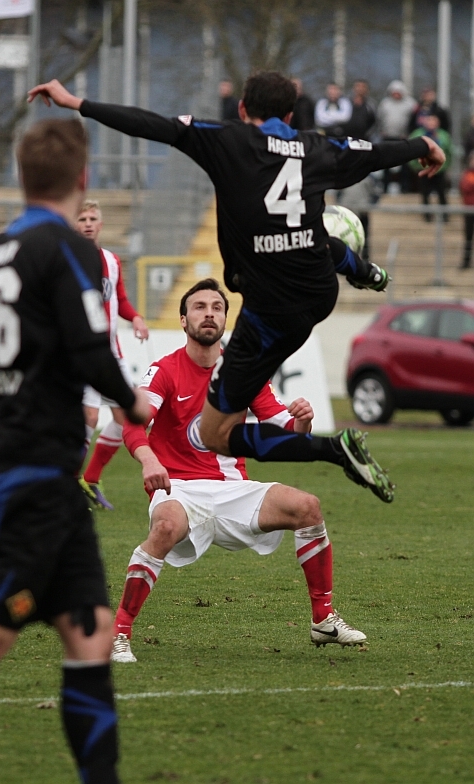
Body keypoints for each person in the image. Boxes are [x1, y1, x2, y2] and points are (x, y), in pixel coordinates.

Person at [28, 71, 445, 505]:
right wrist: (422, 146)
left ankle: (334, 449)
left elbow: (152, 124)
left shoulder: (227, 140)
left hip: (270, 312)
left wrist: (78, 103)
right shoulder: (317, 147)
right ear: (290, 115)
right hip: (319, 293)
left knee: (215, 434)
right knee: (316, 237)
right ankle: (364, 271)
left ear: (243, 109)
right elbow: (373, 152)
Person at [0, 117, 150, 784]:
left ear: (21, 177)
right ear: (82, 178)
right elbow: (92, 349)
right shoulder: (70, 249)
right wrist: (132, 402)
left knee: (91, 632)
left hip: (43, 477)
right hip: (29, 477)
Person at [112, 278, 367, 663]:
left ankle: (323, 620)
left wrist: (301, 421)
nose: (209, 313)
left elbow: (283, 427)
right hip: (180, 489)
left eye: (217, 307)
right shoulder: (164, 370)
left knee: (308, 507)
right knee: (164, 527)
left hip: (233, 489)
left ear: (225, 320)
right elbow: (134, 423)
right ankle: (119, 633)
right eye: (199, 307)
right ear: (183, 320)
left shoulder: (243, 373)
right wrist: (149, 459)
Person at [76, 199, 149, 510]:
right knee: (90, 416)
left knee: (126, 418)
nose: (88, 224)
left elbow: (120, 299)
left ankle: (90, 479)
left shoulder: (112, 261)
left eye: (92, 218)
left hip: (111, 355)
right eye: (82, 219)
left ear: (101, 224)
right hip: (81, 355)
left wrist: (136, 318)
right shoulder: (66, 260)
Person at [409, 114, 452, 222]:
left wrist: (445, 165)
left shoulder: (443, 135)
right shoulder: (417, 134)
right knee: (425, 193)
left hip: (440, 170)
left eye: (434, 121)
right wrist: (415, 166)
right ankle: (427, 216)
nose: (431, 123)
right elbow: (409, 151)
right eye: (429, 121)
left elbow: (450, 152)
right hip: (423, 170)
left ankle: (445, 216)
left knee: (442, 193)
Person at [376, 80, 417, 193]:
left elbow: (414, 119)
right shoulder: (385, 103)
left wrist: (409, 132)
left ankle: (405, 187)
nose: (396, 94)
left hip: (403, 137)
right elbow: (379, 118)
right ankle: (385, 187)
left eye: (398, 92)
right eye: (394, 92)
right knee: (386, 163)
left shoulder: (410, 104)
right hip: (388, 137)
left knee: (404, 163)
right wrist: (381, 131)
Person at [459, 151, 474, 269]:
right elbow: (466, 187)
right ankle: (466, 261)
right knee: (468, 237)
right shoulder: (467, 174)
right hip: (469, 210)